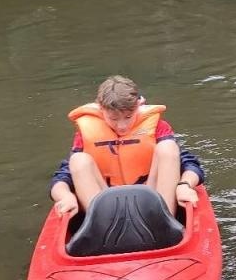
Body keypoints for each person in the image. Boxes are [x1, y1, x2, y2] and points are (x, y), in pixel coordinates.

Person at [50, 75, 204, 220]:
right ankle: (101, 228)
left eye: (128, 117)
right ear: (101, 109)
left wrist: (184, 185)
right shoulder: (85, 135)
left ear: (138, 105)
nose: (122, 126)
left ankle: (165, 221)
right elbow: (63, 176)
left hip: (152, 202)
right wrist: (65, 196)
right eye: (113, 119)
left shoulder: (158, 127)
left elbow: (189, 164)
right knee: (78, 159)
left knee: (168, 147)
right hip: (106, 207)